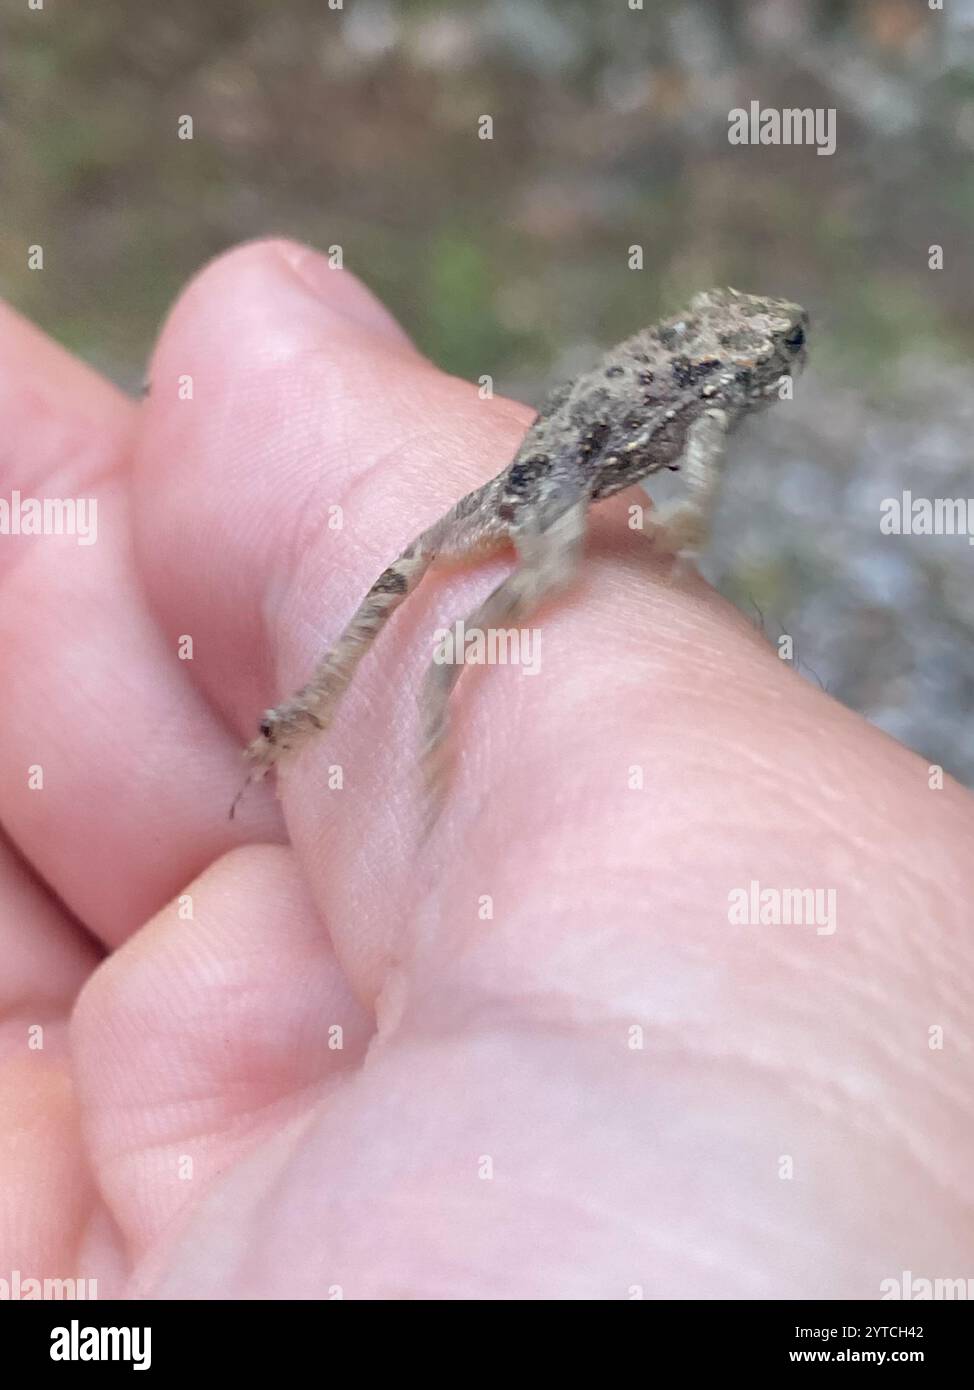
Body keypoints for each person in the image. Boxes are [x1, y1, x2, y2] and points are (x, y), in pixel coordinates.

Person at [1, 240, 971, 1298]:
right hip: (544, 471)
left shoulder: (701, 379)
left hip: (544, 451)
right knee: (515, 571)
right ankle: (431, 684)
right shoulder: (709, 402)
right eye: (778, 347)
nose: (787, 358)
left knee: (403, 566)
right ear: (742, 364)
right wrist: (681, 525)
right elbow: (693, 483)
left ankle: (326, 702)